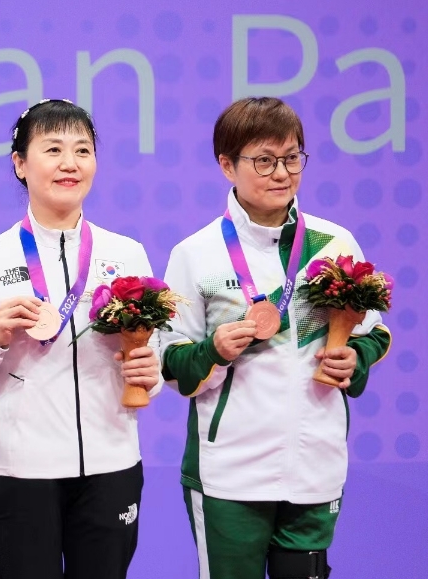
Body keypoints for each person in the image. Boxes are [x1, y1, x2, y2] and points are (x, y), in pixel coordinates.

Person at [160, 97, 392, 579]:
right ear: (227, 165)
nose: (282, 173)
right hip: (229, 475)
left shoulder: (334, 243)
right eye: (264, 160)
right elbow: (172, 364)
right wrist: (214, 350)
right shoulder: (195, 253)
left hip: (315, 465)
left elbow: (375, 331)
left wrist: (355, 357)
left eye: (292, 158)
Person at [0, 99, 162, 579]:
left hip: (112, 464)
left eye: (83, 150)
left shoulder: (127, 255)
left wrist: (153, 372)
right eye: (53, 149)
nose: (70, 163)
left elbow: (152, 352)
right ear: (20, 164)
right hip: (21, 471)